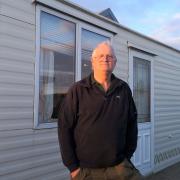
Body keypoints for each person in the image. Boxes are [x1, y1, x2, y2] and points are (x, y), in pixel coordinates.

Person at [58, 41, 143, 180]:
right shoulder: (78, 90)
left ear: (115, 61)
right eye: (101, 56)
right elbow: (64, 128)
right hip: (87, 172)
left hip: (120, 167)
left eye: (109, 56)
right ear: (93, 61)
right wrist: (73, 167)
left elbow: (132, 123)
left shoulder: (123, 89)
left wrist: (127, 155)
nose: (105, 59)